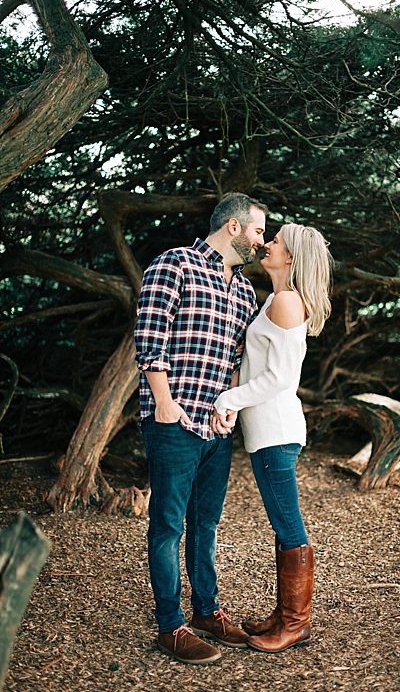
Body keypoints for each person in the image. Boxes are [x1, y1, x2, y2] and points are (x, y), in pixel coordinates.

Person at [134, 192, 267, 664]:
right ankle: (170, 625)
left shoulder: (247, 292)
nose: (262, 240)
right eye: (257, 231)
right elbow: (150, 338)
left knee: (205, 524)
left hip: (216, 429)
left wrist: (229, 408)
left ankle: (207, 610)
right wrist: (165, 405)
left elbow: (234, 359)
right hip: (173, 422)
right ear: (233, 227)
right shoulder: (176, 265)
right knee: (168, 526)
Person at [212, 223, 333, 653]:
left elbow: (281, 378)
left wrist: (228, 397)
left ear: (292, 257)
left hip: (276, 431)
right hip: (268, 431)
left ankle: (296, 624)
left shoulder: (285, 302)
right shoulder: (274, 299)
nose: (266, 244)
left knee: (289, 525)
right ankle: (284, 616)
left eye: (276, 241)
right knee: (283, 526)